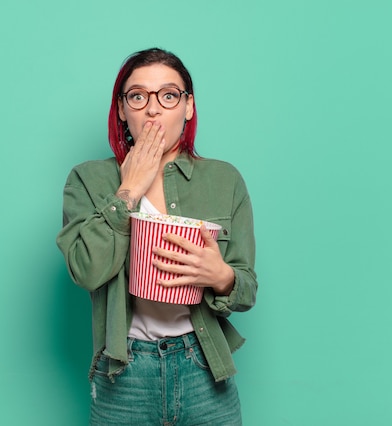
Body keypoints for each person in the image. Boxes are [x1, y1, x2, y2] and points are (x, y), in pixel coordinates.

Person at [56, 47, 258, 425]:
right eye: (138, 96)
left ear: (188, 106)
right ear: (121, 109)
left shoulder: (224, 180)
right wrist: (127, 191)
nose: (153, 109)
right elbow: (85, 270)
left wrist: (222, 277)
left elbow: (247, 288)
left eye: (168, 95)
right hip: (124, 370)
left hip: (204, 365)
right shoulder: (88, 179)